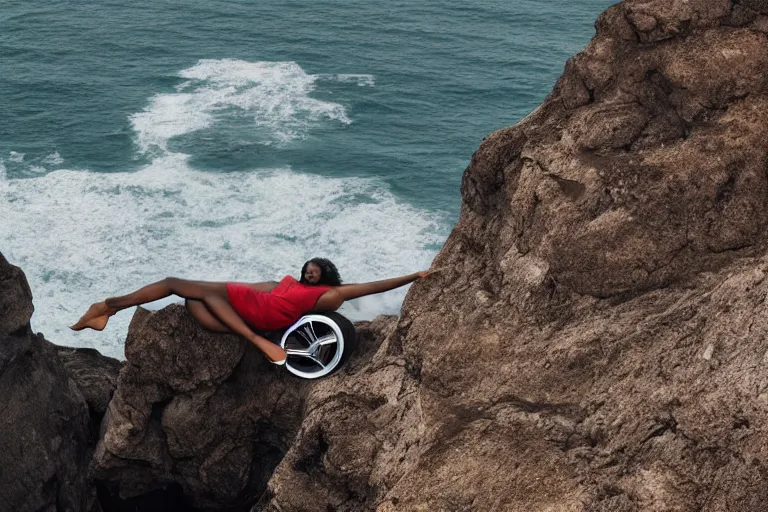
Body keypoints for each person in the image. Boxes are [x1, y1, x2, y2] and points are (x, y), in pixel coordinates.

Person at [71, 258, 439, 365]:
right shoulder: (286, 282)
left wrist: (414, 276)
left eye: (316, 269)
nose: (309, 270)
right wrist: (227, 290)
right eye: (307, 267)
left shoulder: (328, 295)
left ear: (325, 275)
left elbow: (374, 287)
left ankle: (107, 307)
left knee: (171, 281)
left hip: (261, 315)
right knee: (192, 298)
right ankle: (256, 340)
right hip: (249, 302)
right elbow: (256, 288)